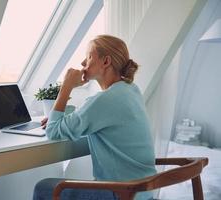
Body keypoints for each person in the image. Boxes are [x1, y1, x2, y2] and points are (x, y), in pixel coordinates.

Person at [33, 35, 156, 200]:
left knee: (44, 187)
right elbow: (101, 117)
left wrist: (66, 86)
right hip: (142, 193)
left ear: (106, 62)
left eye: (89, 56)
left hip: (120, 194)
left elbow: (53, 131)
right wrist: (66, 117)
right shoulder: (130, 90)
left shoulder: (104, 100)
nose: (83, 63)